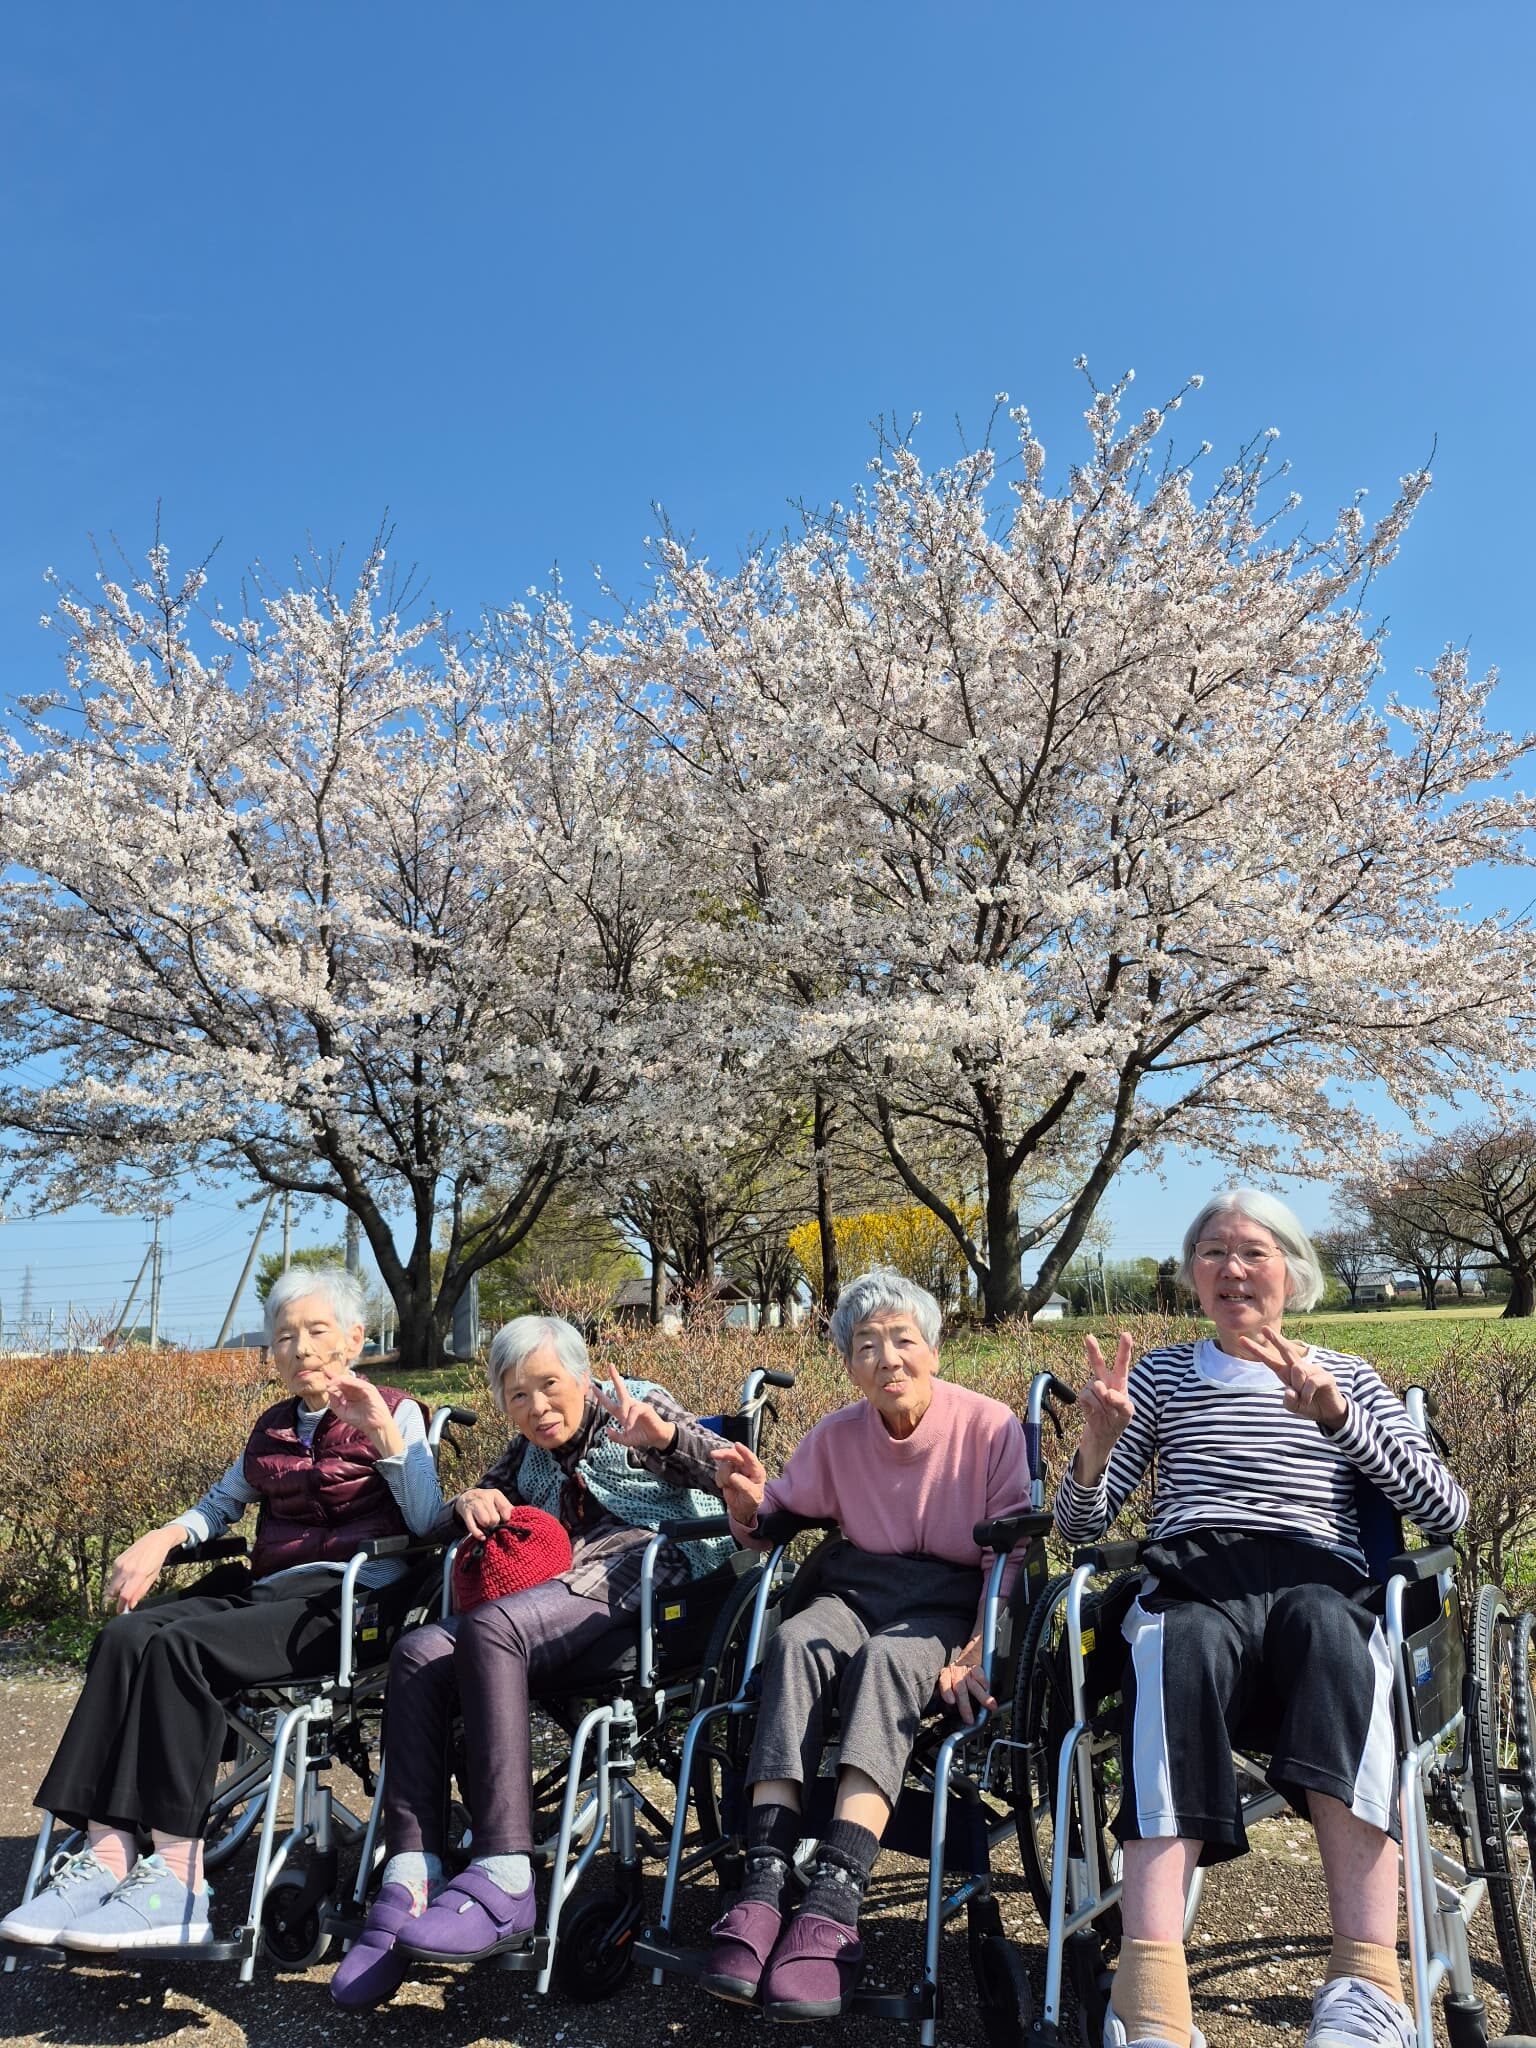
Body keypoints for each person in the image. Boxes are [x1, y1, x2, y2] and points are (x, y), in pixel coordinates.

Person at [1055, 1190, 1468, 2048]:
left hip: (1318, 1580)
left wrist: (1340, 1419)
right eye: (1212, 1252)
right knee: (1178, 1640)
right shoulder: (1162, 1376)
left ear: (1293, 1270)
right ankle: (1152, 2004)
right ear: (1191, 1276)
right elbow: (1081, 1531)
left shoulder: (1347, 1375)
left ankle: (1365, 1989)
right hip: (1198, 1580)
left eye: (1253, 1252)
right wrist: (1095, 1449)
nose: (1232, 1269)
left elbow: (1447, 1512)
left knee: (1334, 1630)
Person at [0, 1266, 442, 1953]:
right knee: (126, 1636)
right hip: (271, 1593)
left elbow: (426, 1520)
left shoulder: (397, 1408)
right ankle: (108, 1852)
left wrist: (384, 1434)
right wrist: (163, 1536)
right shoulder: (272, 1427)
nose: (299, 1348)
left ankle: (178, 1882)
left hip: (353, 1604)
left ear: (354, 1337)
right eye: (284, 1336)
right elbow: (219, 1506)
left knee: (182, 1650)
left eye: (316, 1331)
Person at [330, 1313, 731, 2007]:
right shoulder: (526, 1454)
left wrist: (661, 1437)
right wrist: (471, 1499)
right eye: (518, 1395)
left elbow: (726, 1467)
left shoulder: (633, 1399)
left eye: (550, 1386)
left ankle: (506, 1871)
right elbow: (436, 1526)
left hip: (658, 1570)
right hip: (564, 1596)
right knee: (420, 1650)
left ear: (580, 1375)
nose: (538, 1406)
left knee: (491, 1630)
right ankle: (410, 1873)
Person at [703, 1268, 1033, 2022]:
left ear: (934, 1350)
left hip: (949, 1599)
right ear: (850, 1366)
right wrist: (745, 1497)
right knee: (794, 1642)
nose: (888, 1358)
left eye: (903, 1340)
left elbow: (1009, 1552)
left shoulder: (988, 1427)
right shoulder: (837, 1435)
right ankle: (762, 1883)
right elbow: (774, 1517)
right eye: (867, 1346)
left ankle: (833, 1899)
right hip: (856, 1586)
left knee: (888, 1662)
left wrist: (984, 1643)